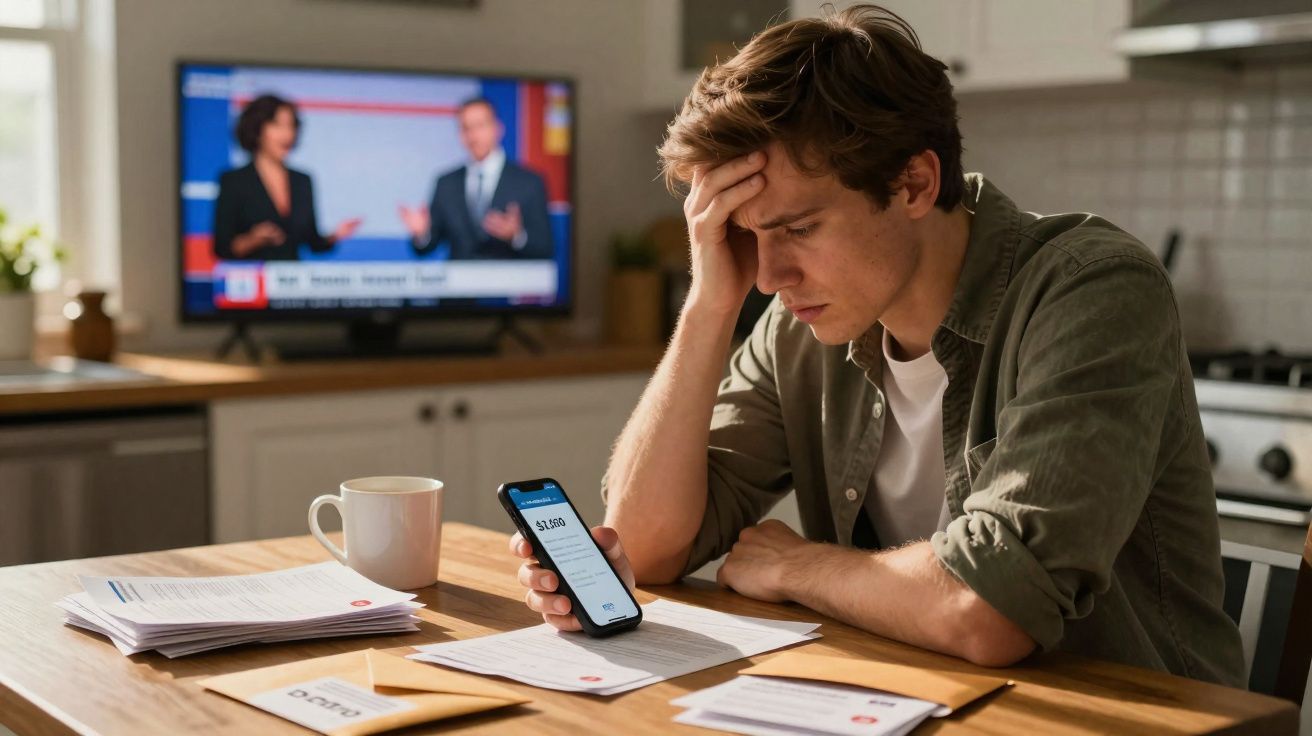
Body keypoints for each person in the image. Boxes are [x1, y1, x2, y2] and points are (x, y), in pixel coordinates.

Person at [511, 4, 1246, 686]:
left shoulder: (1091, 289)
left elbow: (989, 611)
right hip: (913, 697)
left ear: (915, 183)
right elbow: (646, 546)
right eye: (747, 234)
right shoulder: (802, 322)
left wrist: (799, 567)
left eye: (799, 228)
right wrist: (710, 303)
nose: (768, 275)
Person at [399, 98, 553, 260]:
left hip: (510, 275)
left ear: (497, 128)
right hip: (459, 276)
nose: (473, 135)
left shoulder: (529, 182)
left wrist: (516, 236)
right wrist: (422, 233)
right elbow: (427, 246)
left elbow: (544, 248)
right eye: (466, 128)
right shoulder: (446, 183)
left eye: (480, 125)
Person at [213, 94, 361, 261]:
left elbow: (313, 242)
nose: (288, 134)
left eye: (291, 126)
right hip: (252, 275)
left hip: (292, 275)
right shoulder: (234, 181)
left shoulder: (302, 180)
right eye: (277, 125)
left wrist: (336, 235)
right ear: (257, 129)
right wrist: (253, 239)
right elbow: (222, 248)